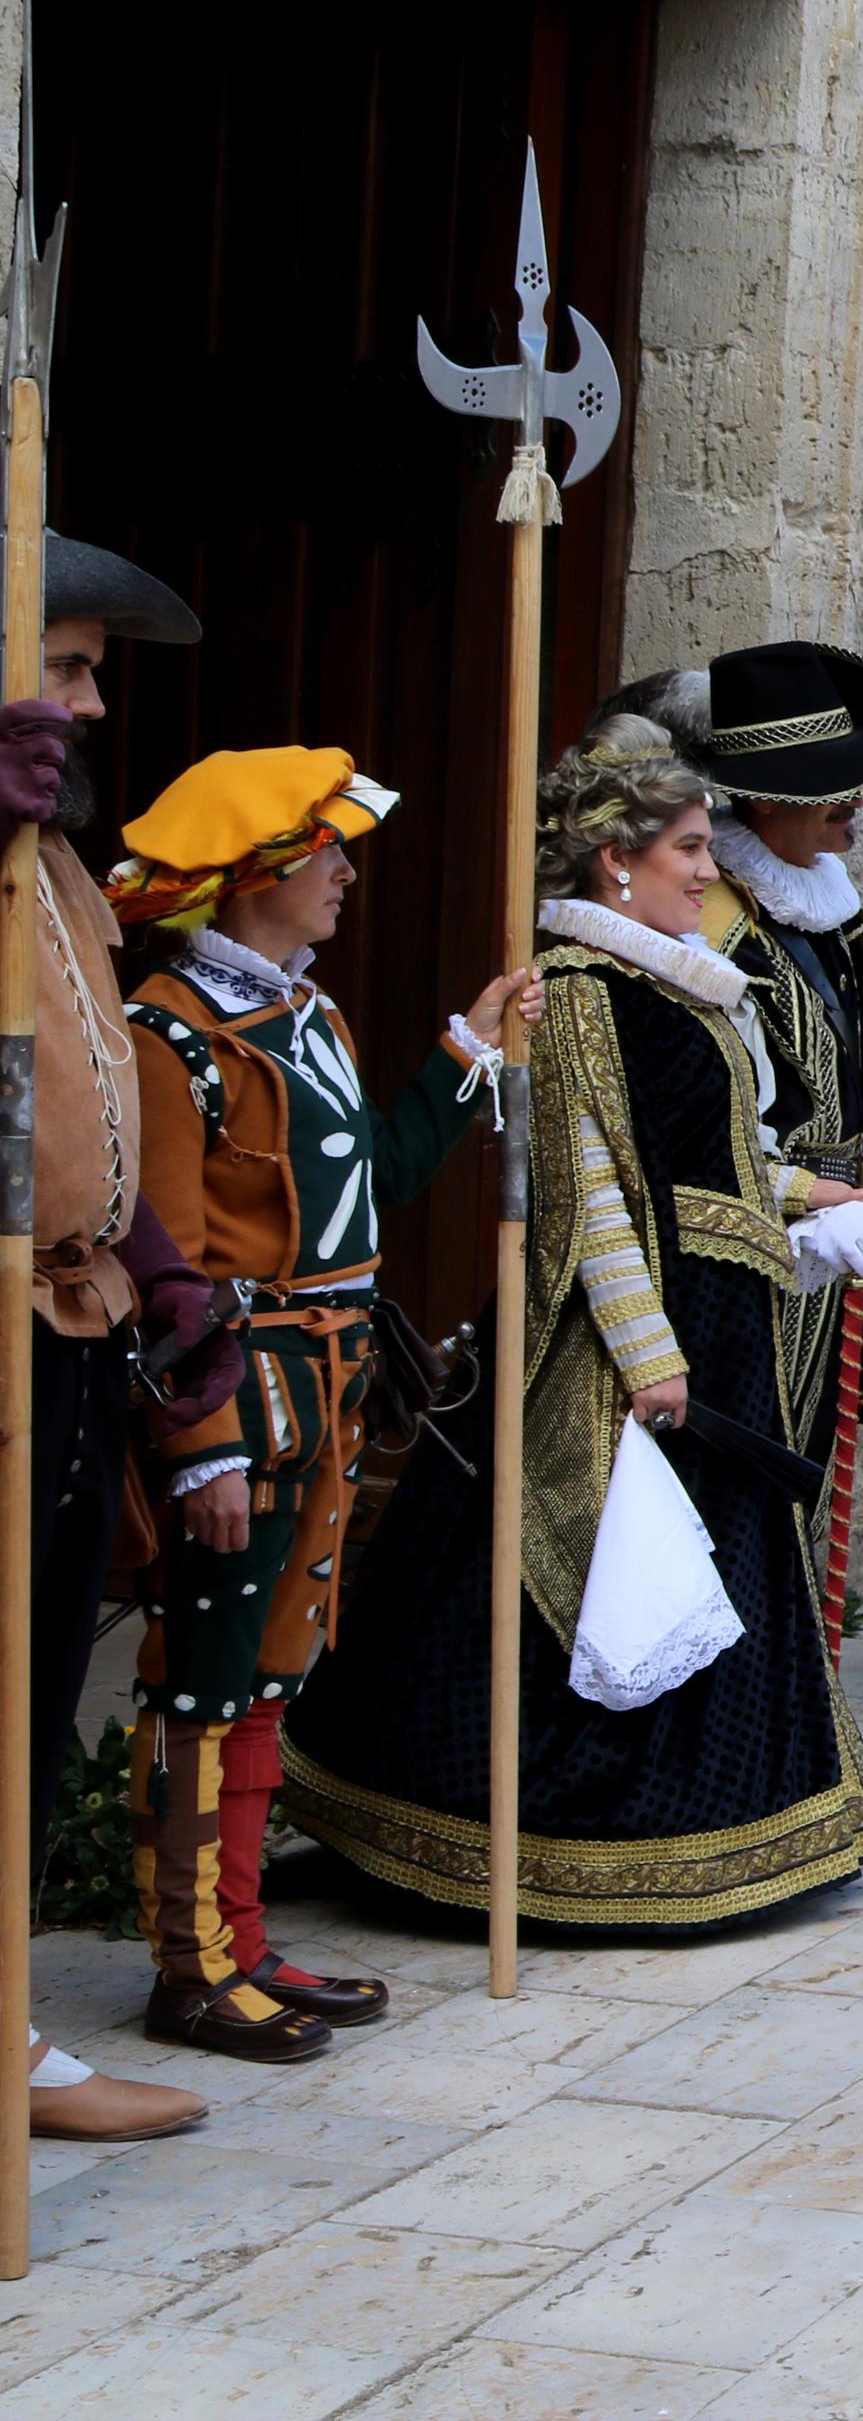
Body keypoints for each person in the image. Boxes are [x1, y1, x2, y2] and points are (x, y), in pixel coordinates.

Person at [281, 720, 863, 1924]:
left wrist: (803, 1193)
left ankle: (735, 1825)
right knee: (586, 1573)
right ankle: (560, 1849)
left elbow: (704, 1155)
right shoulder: (574, 993)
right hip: (630, 1341)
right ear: (613, 861)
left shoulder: (677, 979)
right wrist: (649, 1359)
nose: (707, 867)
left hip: (727, 1317)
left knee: (719, 1566)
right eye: (683, 847)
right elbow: (589, 1189)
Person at [108, 751, 537, 2060]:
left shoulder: (313, 1017)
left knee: (273, 1668)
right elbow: (165, 1262)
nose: (348, 872)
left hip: (330, 1389)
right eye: (327, 854)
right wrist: (201, 1446)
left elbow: (388, 1173)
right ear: (259, 876)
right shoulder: (167, 1031)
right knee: (205, 1673)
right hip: (243, 1395)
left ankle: (241, 1938)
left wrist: (469, 1048)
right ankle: (190, 1963)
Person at [613, 649, 863, 1661]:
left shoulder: (824, 911)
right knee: (749, 1475)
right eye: (831, 793)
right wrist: (801, 1201)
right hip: (741, 1249)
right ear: (767, 803)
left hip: (838, 1241)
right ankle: (753, 1706)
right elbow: (695, 1119)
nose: (854, 808)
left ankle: (802, 1701)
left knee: (813, 1469)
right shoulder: (715, 927)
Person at [0, 537, 239, 2141]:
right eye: (64, 668)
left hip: (72, 1323)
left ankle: (5, 2033)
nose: (88, 707)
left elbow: (79, 1084)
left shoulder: (58, 866)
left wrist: (161, 1265)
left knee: (27, 1688)